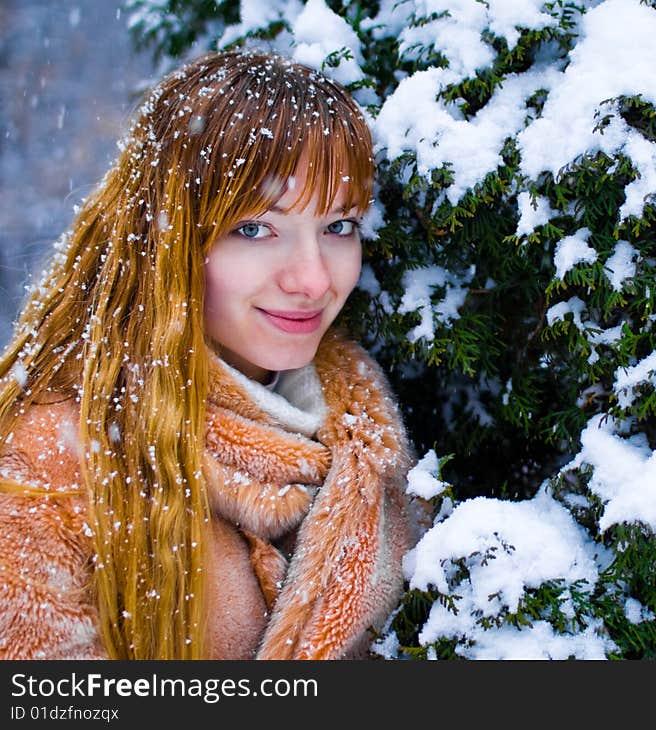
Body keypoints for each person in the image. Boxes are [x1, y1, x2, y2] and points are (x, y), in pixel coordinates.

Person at [0, 49, 428, 660]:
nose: (312, 279)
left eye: (339, 226)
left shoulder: (370, 440)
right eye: (255, 228)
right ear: (169, 237)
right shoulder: (52, 463)